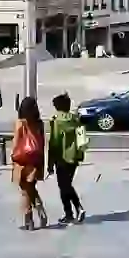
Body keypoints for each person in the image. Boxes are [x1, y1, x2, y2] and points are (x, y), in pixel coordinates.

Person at [47, 92, 87, 224]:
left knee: (64, 186)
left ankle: (74, 210)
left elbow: (54, 143)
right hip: (74, 156)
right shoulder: (76, 119)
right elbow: (81, 138)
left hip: (62, 157)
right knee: (66, 185)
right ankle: (72, 212)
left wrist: (50, 163)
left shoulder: (56, 121)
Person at [12, 96, 48, 230]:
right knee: (30, 187)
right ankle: (39, 209)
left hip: (22, 159)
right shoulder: (39, 123)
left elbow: (16, 142)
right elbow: (42, 142)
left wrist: (13, 156)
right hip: (35, 159)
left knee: (25, 190)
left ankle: (29, 219)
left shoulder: (20, 123)